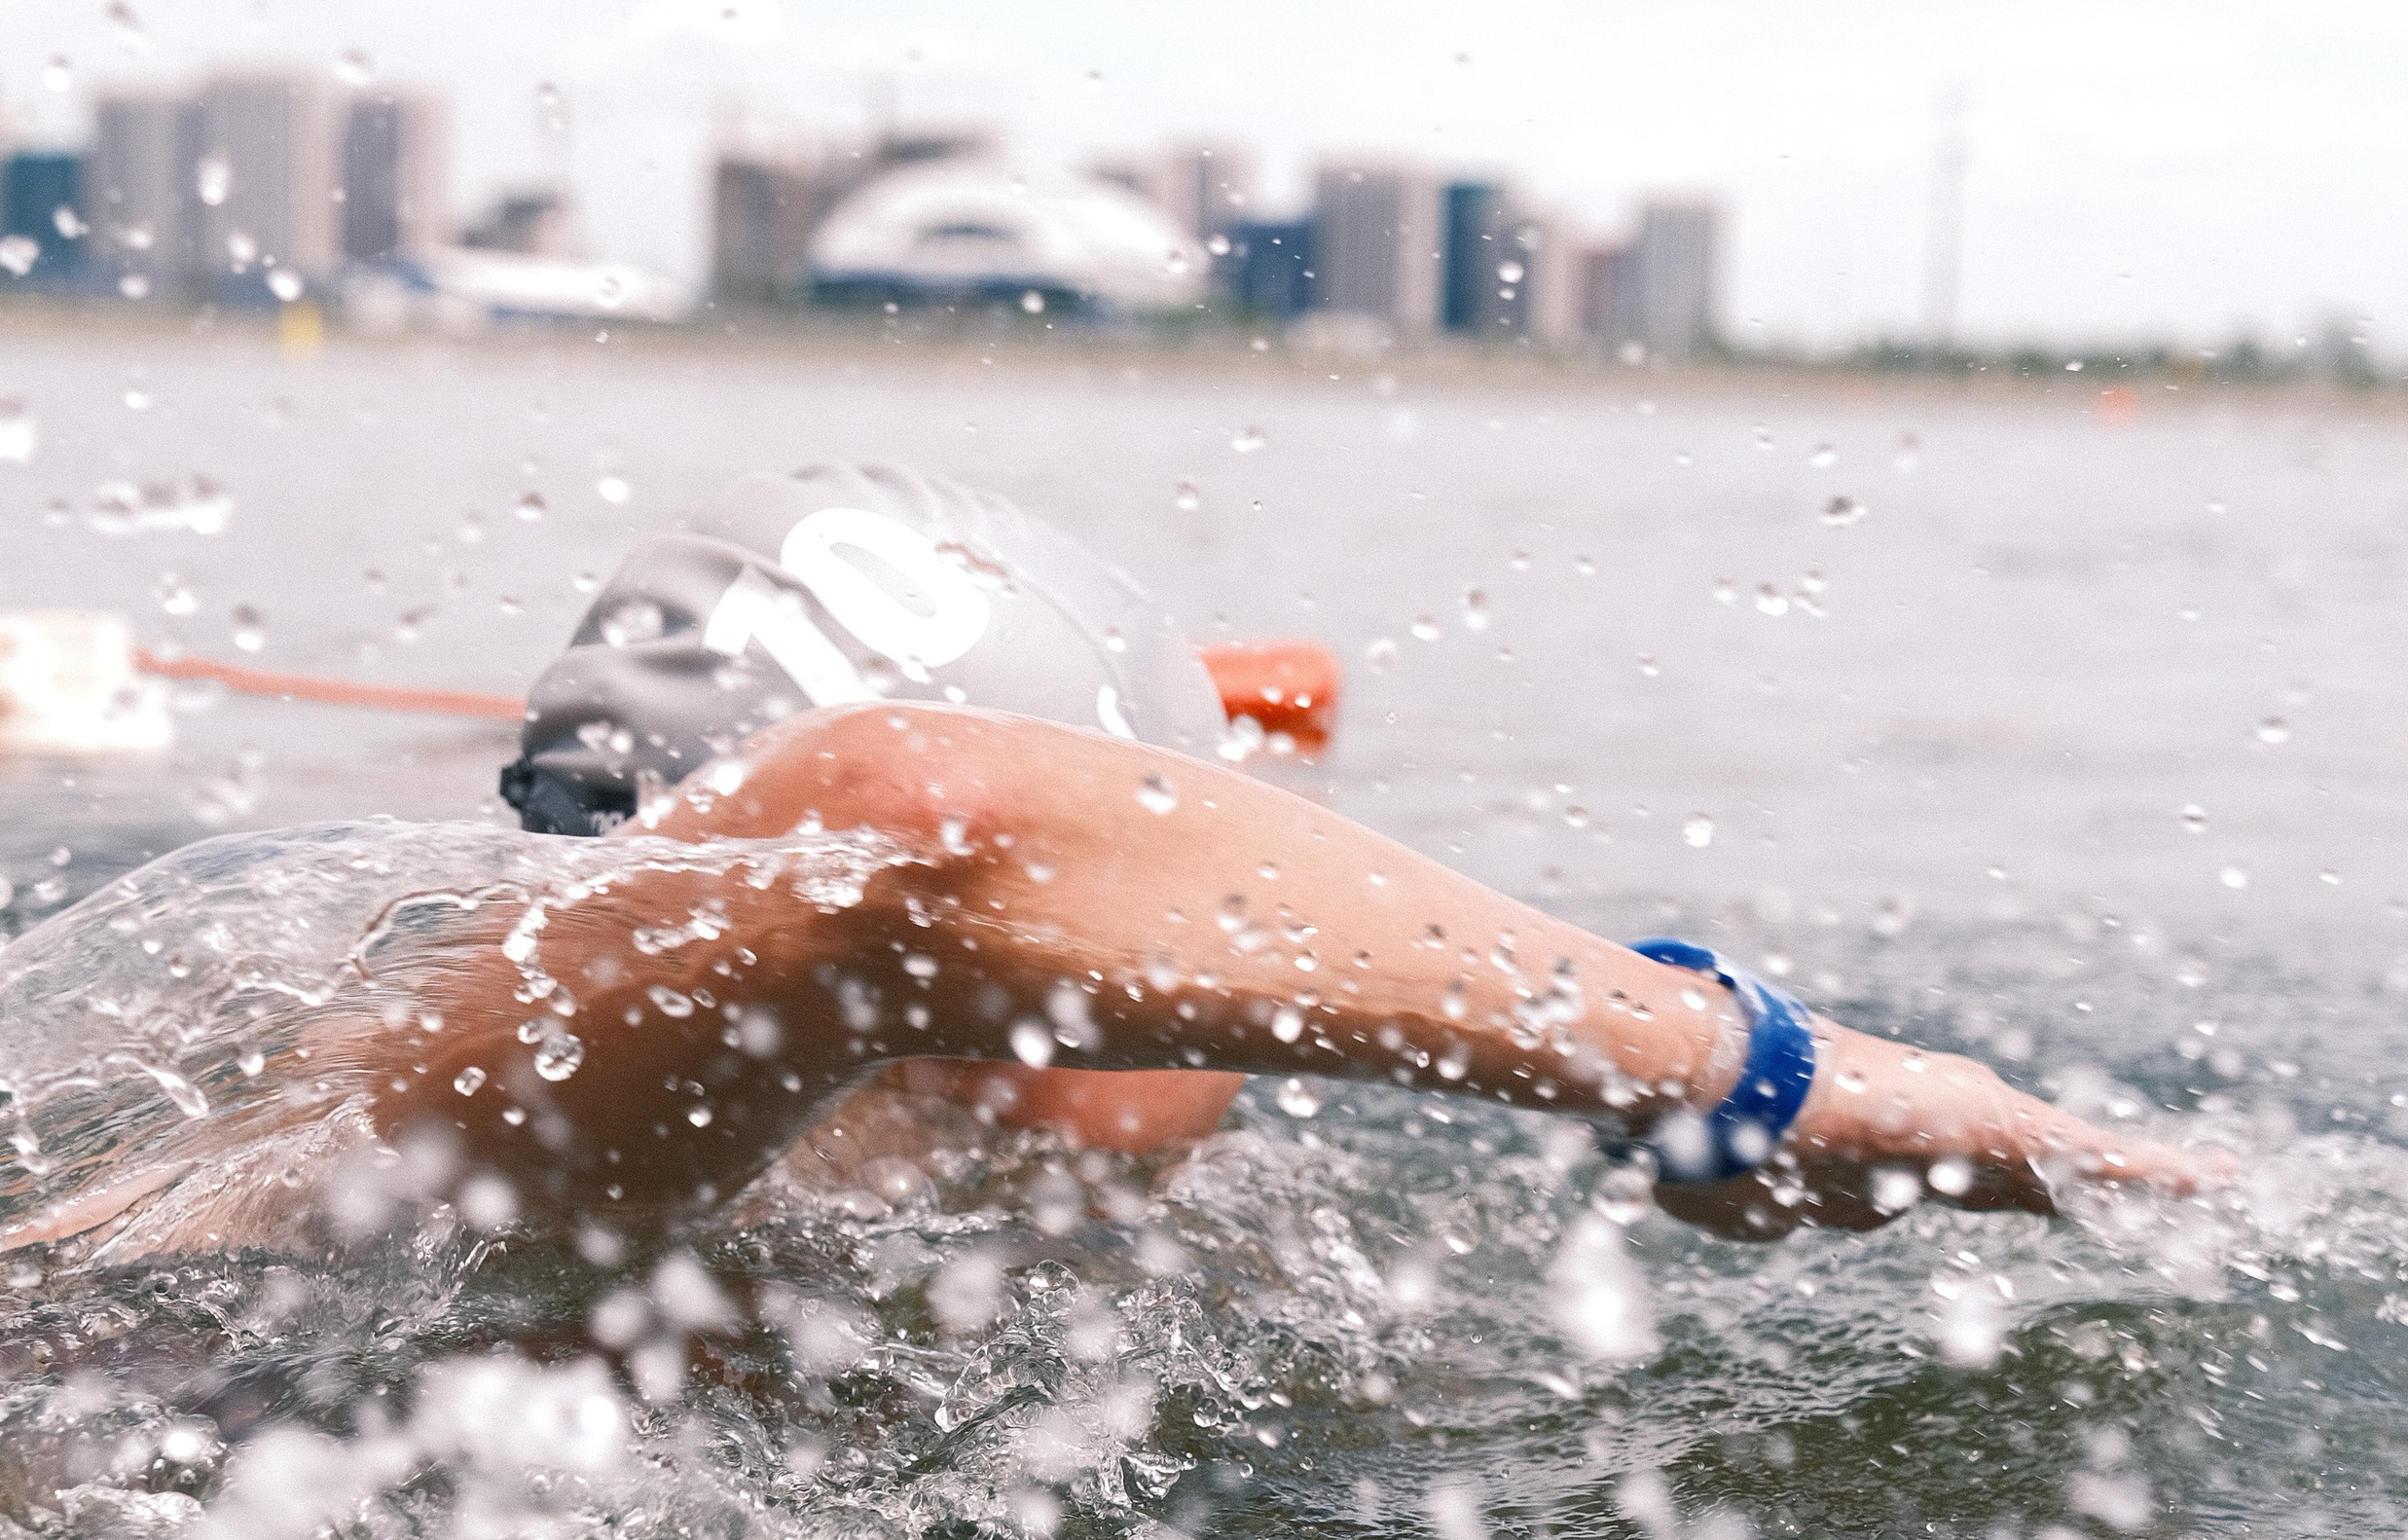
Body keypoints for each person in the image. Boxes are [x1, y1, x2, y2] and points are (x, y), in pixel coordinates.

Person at [0, 464, 2203, 1266]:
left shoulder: (464, 1093)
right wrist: (1750, 1074)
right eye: (1207, 845)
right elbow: (920, 821)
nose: (1242, 967)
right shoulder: (530, 1138)